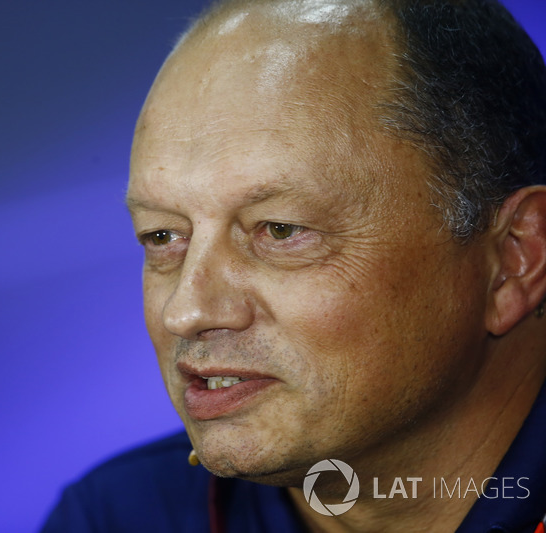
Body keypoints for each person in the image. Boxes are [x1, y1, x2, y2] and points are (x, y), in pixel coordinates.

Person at [42, 0, 546, 531]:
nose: (186, 311)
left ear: (514, 258)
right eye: (163, 235)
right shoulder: (118, 516)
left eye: (280, 230)